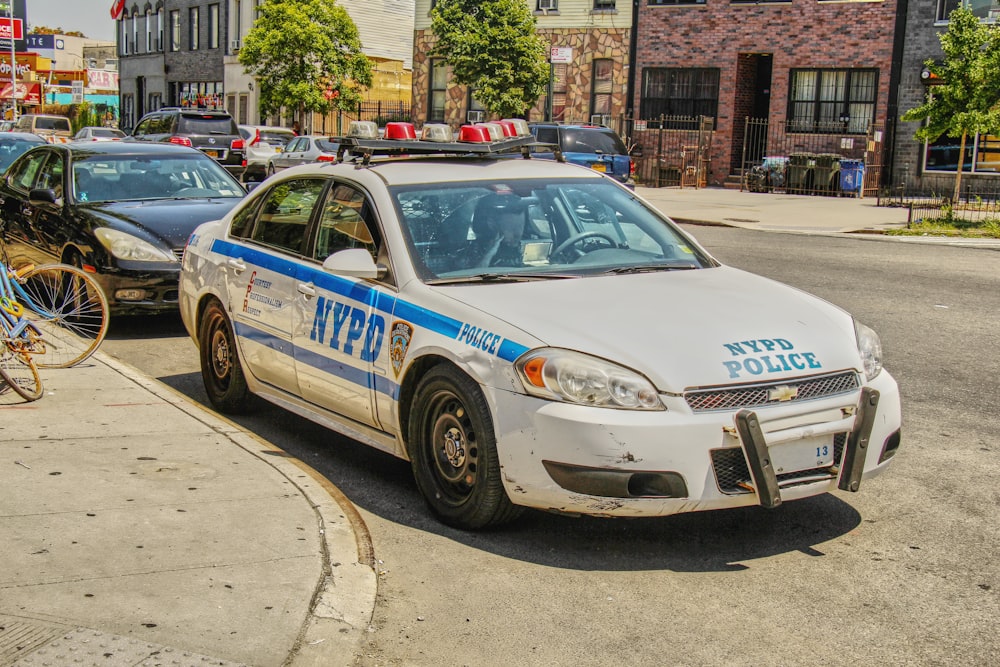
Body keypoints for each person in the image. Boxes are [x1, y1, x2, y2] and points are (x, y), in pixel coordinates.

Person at [468, 194, 527, 268]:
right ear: (492, 224)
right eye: (511, 229)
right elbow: (474, 277)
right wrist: (489, 254)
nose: (518, 234)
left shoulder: (525, 247)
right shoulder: (472, 253)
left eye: (520, 226)